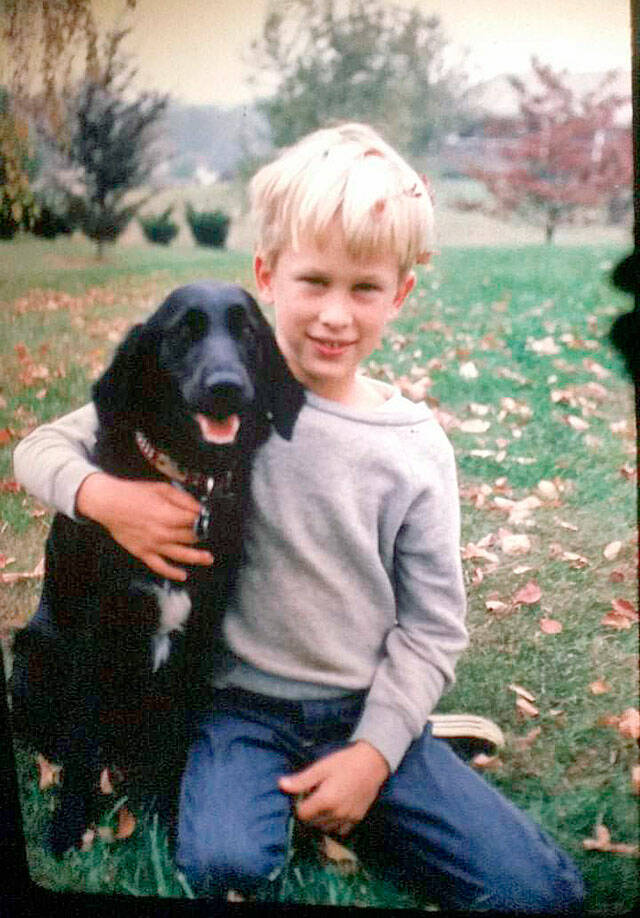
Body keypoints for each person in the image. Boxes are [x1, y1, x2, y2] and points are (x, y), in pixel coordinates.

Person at [13, 123, 585, 912]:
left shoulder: (413, 449)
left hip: (362, 702)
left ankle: (396, 761)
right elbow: (41, 447)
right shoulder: (218, 398)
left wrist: (375, 755)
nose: (334, 316)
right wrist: (106, 499)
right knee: (221, 867)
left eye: (364, 289)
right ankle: (346, 784)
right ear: (267, 276)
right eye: (313, 281)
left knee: (538, 893)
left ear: (401, 294)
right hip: (239, 708)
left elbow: (434, 626)